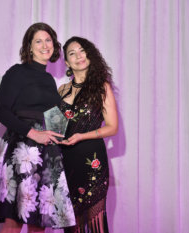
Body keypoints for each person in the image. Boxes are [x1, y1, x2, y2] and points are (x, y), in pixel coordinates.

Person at [0, 23, 76, 233]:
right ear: (29, 47)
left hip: (47, 152)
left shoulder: (49, 80)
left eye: (48, 40)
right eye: (38, 41)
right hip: (22, 150)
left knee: (39, 222)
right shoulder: (17, 72)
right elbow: (1, 111)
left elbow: (55, 119)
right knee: (14, 222)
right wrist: (34, 134)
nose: (44, 45)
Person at [58, 37, 118, 233]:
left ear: (89, 54)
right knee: (71, 223)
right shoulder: (62, 90)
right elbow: (56, 126)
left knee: (96, 223)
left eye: (82, 51)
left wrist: (81, 136)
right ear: (67, 62)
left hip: (93, 160)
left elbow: (112, 127)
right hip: (66, 161)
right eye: (72, 54)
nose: (78, 56)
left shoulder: (102, 87)